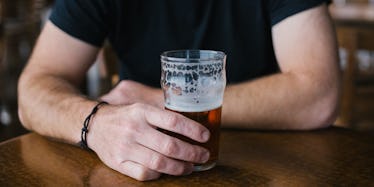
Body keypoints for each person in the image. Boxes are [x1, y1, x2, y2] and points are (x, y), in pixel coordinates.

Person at [18, 0, 340, 181]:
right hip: (137, 164)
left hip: (270, 166)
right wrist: (94, 123)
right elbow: (34, 88)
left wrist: (156, 99)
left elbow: (319, 93)